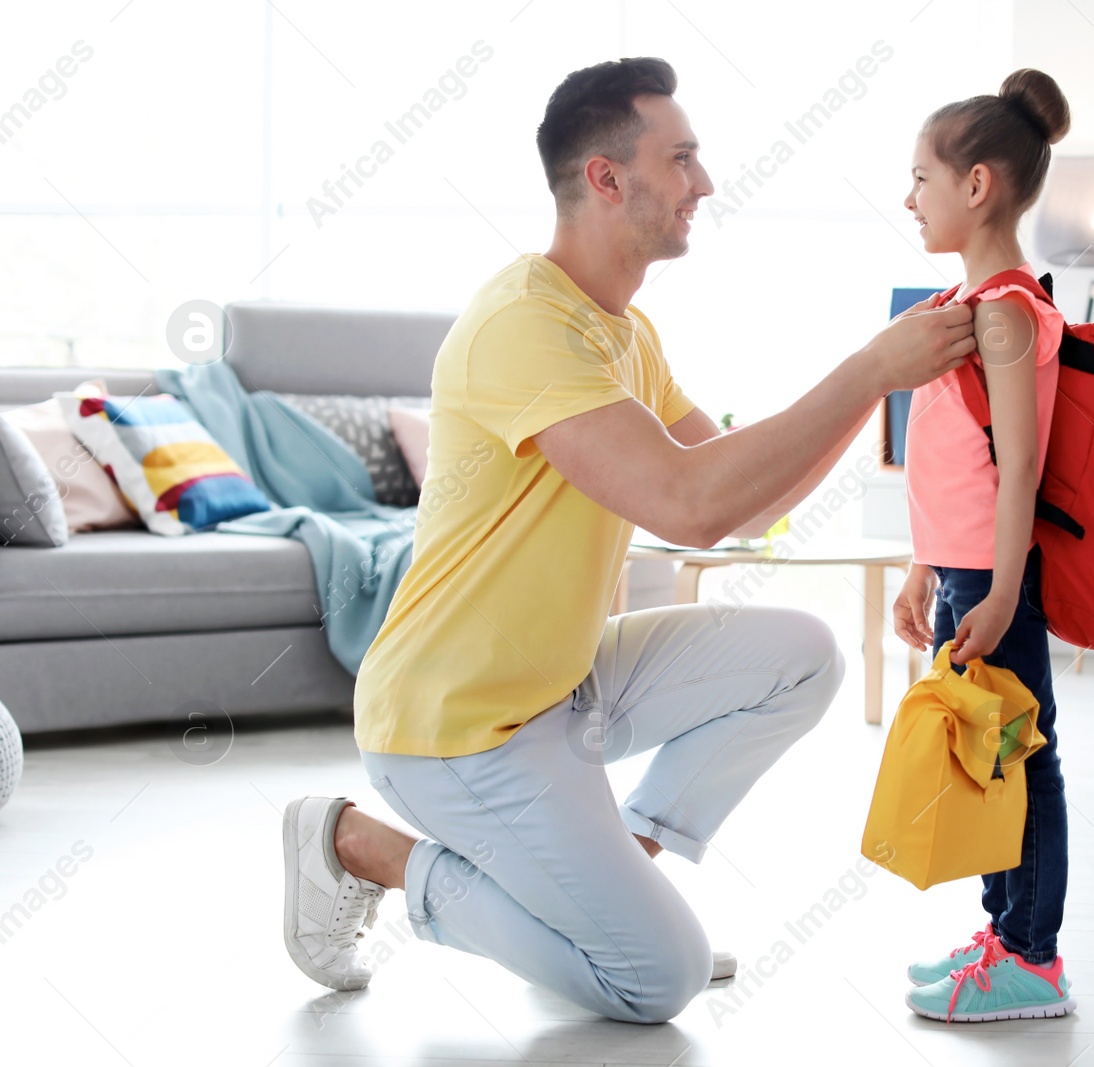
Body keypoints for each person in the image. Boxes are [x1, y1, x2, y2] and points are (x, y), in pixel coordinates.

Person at [278, 56, 976, 1024]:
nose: (705, 182)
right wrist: (867, 372)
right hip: (452, 729)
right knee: (654, 981)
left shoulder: (625, 331)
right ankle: (355, 844)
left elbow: (740, 504)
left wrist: (881, 386)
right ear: (607, 178)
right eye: (681, 157)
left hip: (561, 686)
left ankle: (614, 889)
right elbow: (683, 506)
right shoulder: (526, 321)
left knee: (802, 655)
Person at [889, 68, 1076, 1023]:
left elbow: (1019, 468)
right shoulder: (968, 305)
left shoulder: (1003, 308)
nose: (908, 195)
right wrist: (928, 565)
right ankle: (1004, 935)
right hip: (961, 571)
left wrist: (1001, 591)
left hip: (994, 578)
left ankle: (1034, 962)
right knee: (986, 750)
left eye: (921, 176)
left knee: (1022, 753)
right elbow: (953, 459)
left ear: (977, 186)